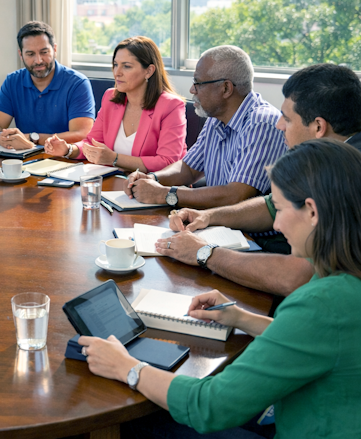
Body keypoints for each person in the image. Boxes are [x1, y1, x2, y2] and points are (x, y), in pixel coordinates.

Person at [80, 140, 361, 438]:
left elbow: (209, 405)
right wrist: (242, 318)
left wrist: (126, 367)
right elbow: (313, 337)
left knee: (140, 422)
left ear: (312, 212)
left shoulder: (320, 302)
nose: (276, 225)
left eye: (278, 209)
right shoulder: (344, 281)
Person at [157, 63, 361, 296]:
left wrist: (205, 253)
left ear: (318, 126)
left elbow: (296, 276)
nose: (279, 125)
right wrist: (208, 216)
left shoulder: (348, 175)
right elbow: (271, 206)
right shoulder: (327, 156)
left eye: (287, 119)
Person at [126, 45, 286, 209]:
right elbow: (189, 168)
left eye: (198, 83)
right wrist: (152, 179)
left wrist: (165, 194)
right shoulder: (216, 117)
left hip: (243, 225)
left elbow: (236, 195)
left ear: (225, 88)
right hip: (213, 218)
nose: (192, 90)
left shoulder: (261, 123)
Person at [44, 36, 186, 172]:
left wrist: (114, 159)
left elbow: (168, 162)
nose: (117, 72)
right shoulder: (110, 98)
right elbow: (92, 143)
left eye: (126, 66)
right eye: (116, 65)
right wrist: (68, 150)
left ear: (149, 71)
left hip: (154, 185)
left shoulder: (171, 106)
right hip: (116, 181)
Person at [0, 21, 95, 150]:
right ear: (21, 55)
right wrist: (1, 137)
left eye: (44, 52)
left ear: (54, 49)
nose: (38, 60)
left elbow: (82, 135)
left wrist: (32, 138)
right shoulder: (12, 81)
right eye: (30, 54)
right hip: (24, 156)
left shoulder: (77, 83)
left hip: (64, 158)